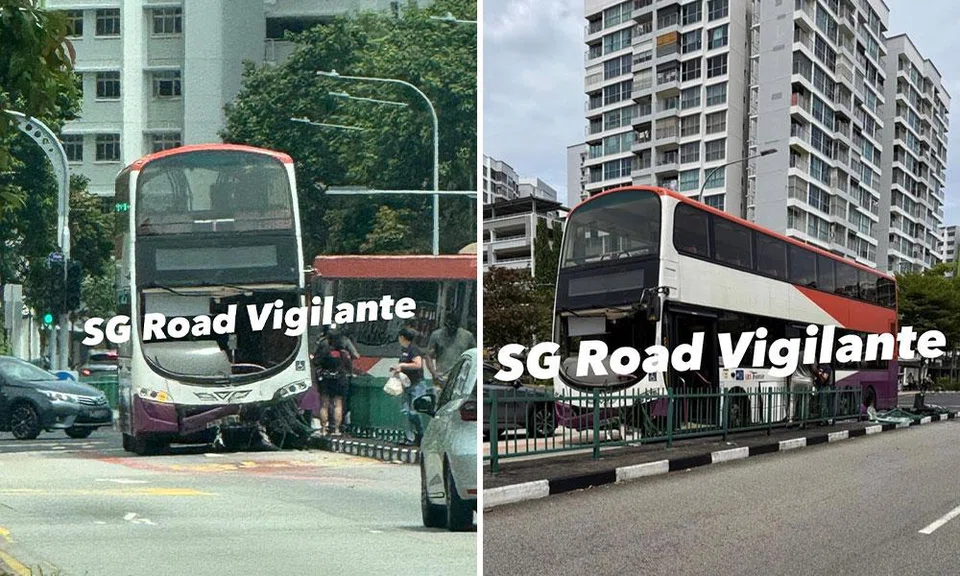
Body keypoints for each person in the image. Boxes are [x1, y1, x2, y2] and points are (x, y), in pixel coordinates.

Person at [312, 324, 359, 436]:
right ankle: (336, 430)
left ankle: (324, 429)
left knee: (324, 403)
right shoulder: (345, 341)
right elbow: (356, 355)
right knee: (338, 403)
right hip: (340, 376)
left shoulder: (323, 342)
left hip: (325, 376)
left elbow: (316, 360)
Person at [425, 309, 476, 392]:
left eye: (454, 325)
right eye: (449, 325)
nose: (451, 328)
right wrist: (434, 373)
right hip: (441, 377)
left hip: (460, 378)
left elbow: (474, 356)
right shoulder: (437, 335)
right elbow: (429, 355)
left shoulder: (467, 336)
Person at [393, 327, 426, 446]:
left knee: (414, 412)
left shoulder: (414, 349)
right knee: (405, 411)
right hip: (406, 384)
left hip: (417, 384)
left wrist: (402, 365)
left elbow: (418, 365)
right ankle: (409, 437)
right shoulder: (404, 350)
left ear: (402, 337)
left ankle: (421, 433)